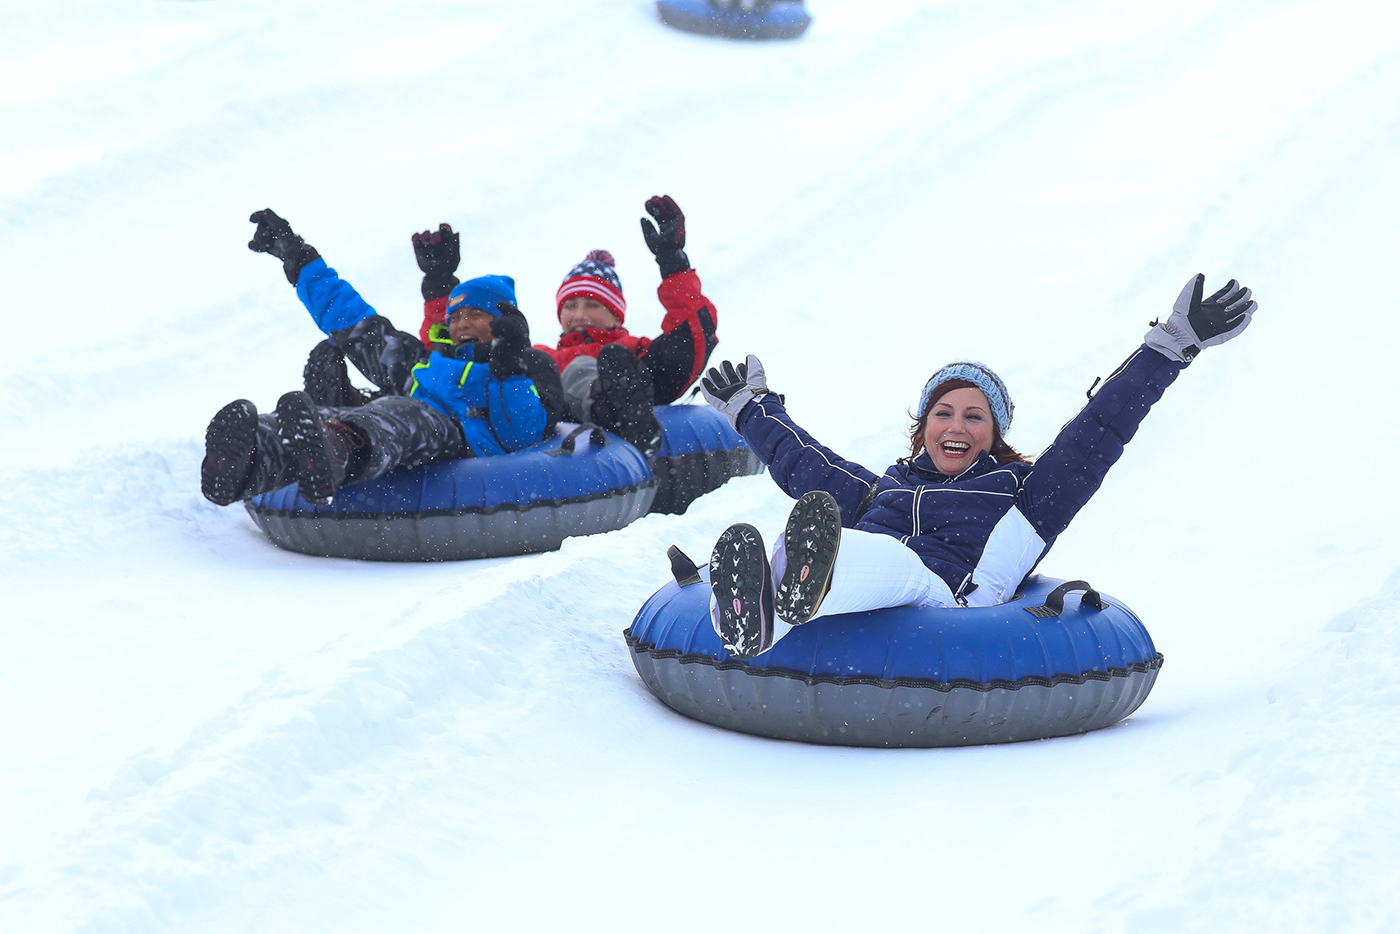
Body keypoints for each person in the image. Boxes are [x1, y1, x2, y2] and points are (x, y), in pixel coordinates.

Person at [697, 275, 1258, 659]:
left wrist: (1169, 347)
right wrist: (751, 410)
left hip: (948, 597)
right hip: (864, 574)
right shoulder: (889, 489)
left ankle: (778, 606)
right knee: (821, 521)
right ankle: (754, 609)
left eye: (974, 416)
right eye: (943, 413)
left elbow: (1096, 435)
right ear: (924, 428)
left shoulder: (1023, 498)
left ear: (994, 435)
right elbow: (809, 466)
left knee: (868, 553)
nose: (956, 426)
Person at [200, 209, 562, 508]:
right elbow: (355, 323)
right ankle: (251, 459)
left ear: (502, 319)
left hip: (461, 441)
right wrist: (297, 257)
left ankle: (335, 449)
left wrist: (507, 366)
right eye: (456, 316)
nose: (463, 323)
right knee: (347, 411)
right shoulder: (426, 363)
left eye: (476, 315)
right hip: (404, 419)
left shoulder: (530, 365)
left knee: (406, 419)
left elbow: (522, 436)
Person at [413, 196, 719, 456]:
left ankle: (627, 418)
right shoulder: (540, 356)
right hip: (550, 427)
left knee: (600, 362)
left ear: (617, 314)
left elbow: (690, 338)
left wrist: (673, 262)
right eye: (571, 306)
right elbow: (450, 357)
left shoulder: (634, 351)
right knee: (530, 366)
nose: (580, 314)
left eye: (593, 305)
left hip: (614, 412)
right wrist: (441, 289)